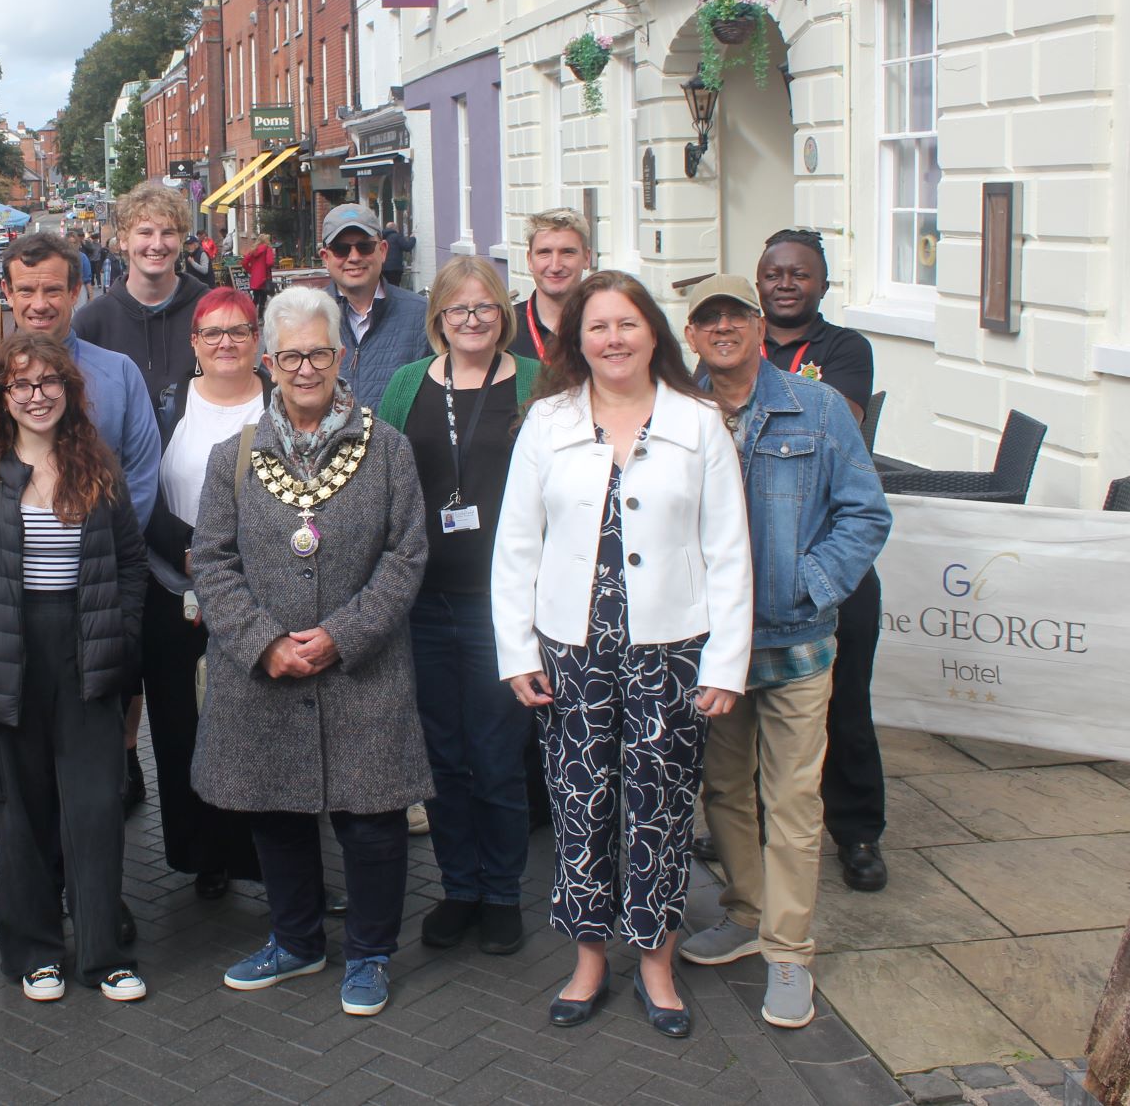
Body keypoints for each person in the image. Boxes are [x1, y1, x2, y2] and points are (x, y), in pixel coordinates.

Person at [492, 270, 751, 1040]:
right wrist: (516, 651)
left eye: (627, 324)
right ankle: (589, 957)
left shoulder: (699, 423)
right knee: (581, 810)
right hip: (572, 651)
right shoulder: (547, 422)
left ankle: (658, 962)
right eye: (597, 326)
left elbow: (729, 550)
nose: (612, 339)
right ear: (578, 340)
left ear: (654, 335)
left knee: (659, 811)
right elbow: (516, 546)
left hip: (671, 652)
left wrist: (725, 662)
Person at [192, 285, 432, 1019]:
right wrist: (263, 642)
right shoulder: (233, 456)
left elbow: (407, 555)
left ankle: (369, 953)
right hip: (262, 674)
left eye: (318, 352)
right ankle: (296, 941)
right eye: (290, 354)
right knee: (276, 811)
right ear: (269, 361)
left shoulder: (386, 449)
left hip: (364, 671)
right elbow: (211, 559)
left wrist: (344, 634)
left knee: (372, 821)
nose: (304, 367)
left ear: (340, 356)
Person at [677, 274, 891, 1029]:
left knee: (794, 801)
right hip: (714, 648)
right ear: (692, 334)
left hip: (797, 642)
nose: (724, 327)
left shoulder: (820, 406)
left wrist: (811, 583)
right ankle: (745, 910)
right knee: (726, 791)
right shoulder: (680, 414)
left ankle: (789, 950)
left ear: (760, 327)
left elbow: (866, 513)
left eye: (737, 314)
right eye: (709, 319)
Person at [0, 332, 149, 1004]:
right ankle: (34, 952)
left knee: (93, 807)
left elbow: (132, 564)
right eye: (22, 384)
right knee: (19, 812)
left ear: (68, 390)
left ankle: (103, 954)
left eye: (49, 382)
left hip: (85, 648)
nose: (37, 395)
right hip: (7, 652)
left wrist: (120, 639)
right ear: (2, 395)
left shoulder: (96, 465)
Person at [374, 256, 536, 956]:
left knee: (498, 753)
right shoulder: (410, 383)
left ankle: (502, 893)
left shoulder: (536, 384)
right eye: (457, 310)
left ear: (503, 312)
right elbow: (377, 477)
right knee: (441, 754)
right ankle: (458, 886)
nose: (472, 321)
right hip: (424, 600)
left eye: (485, 308)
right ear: (438, 318)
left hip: (502, 604)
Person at [754, 228, 888, 894]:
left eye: (799, 274)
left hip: (831, 568)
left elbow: (842, 417)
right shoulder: (734, 338)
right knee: (752, 709)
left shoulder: (844, 349)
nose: (786, 283)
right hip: (758, 572)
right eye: (774, 272)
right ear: (758, 283)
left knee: (846, 707)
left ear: (821, 284)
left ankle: (858, 832)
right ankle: (752, 828)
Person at [74, 183, 212, 807]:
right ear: (122, 239)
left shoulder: (208, 309)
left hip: (199, 511)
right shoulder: (94, 321)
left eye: (168, 234)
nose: (156, 245)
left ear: (182, 240)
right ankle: (126, 762)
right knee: (126, 656)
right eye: (144, 233)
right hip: (120, 514)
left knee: (197, 667)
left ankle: (209, 788)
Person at [140, 288, 268, 898]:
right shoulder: (167, 405)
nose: (225, 343)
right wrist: (186, 551)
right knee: (182, 727)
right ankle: (203, 855)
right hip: (175, 587)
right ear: (193, 342)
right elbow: (143, 490)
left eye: (238, 331)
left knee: (260, 729)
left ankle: (265, 857)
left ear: (258, 338)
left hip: (262, 591)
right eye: (212, 333)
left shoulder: (280, 403)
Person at [0, 232, 160, 529]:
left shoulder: (120, 374)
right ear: (7, 291)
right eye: (26, 290)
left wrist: (112, 551)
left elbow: (142, 475)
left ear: (74, 292)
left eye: (53, 290)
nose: (40, 304)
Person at [318, 205, 428, 411]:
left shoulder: (422, 315)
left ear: (383, 250)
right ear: (326, 257)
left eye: (364, 246)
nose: (354, 257)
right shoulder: (306, 314)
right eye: (341, 249)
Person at [509, 209, 595, 366]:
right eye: (544, 253)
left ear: (586, 258)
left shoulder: (606, 326)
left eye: (567, 252)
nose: (555, 266)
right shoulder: (505, 328)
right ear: (529, 260)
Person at [241, 231, 277, 312]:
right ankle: (260, 317)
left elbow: (244, 262)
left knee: (256, 297)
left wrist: (251, 270)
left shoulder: (253, 250)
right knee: (263, 299)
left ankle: (250, 315)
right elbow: (269, 262)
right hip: (264, 276)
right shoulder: (268, 249)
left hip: (255, 278)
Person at [379, 220, 415, 288]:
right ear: (396, 228)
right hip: (395, 269)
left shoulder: (382, 238)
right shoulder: (396, 236)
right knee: (394, 288)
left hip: (383, 268)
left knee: (385, 288)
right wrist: (413, 238)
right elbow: (407, 246)